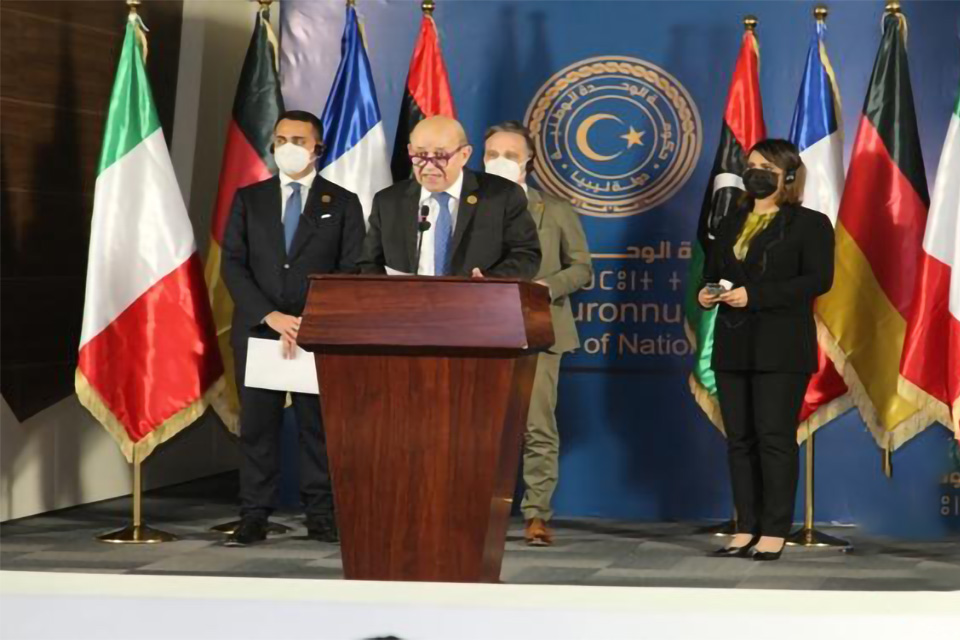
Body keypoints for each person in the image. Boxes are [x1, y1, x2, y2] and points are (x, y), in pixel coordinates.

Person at [220, 110, 366, 546]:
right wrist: (271, 316)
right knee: (257, 429)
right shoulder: (250, 199)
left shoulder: (343, 203)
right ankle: (254, 515)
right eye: (281, 139)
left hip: (315, 333)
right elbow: (233, 265)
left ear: (318, 148)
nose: (288, 147)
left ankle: (321, 514)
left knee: (317, 428)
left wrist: (309, 319)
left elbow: (351, 269)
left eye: (298, 140)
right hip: (260, 330)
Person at [698, 139, 834, 561]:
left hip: (781, 347)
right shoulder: (731, 220)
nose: (754, 173)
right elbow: (713, 271)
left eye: (766, 168)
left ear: (788, 177)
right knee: (740, 440)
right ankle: (746, 527)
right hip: (733, 343)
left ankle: (774, 530)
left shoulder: (810, 224)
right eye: (751, 165)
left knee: (774, 439)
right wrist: (707, 293)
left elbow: (817, 280)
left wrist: (753, 296)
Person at [483, 121, 592, 546]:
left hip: (539, 328)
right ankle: (475, 510)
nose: (500, 161)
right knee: (476, 426)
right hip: (479, 330)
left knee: (537, 425)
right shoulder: (468, 207)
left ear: (529, 161)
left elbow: (581, 268)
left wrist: (547, 287)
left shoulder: (554, 209)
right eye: (492, 154)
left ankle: (536, 515)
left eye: (510, 155)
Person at [359, 116, 541, 279]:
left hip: (478, 302)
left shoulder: (502, 196)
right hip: (406, 304)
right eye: (420, 155)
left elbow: (526, 255)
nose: (429, 167)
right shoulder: (389, 201)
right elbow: (368, 263)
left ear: (464, 155)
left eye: (440, 156)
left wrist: (490, 281)